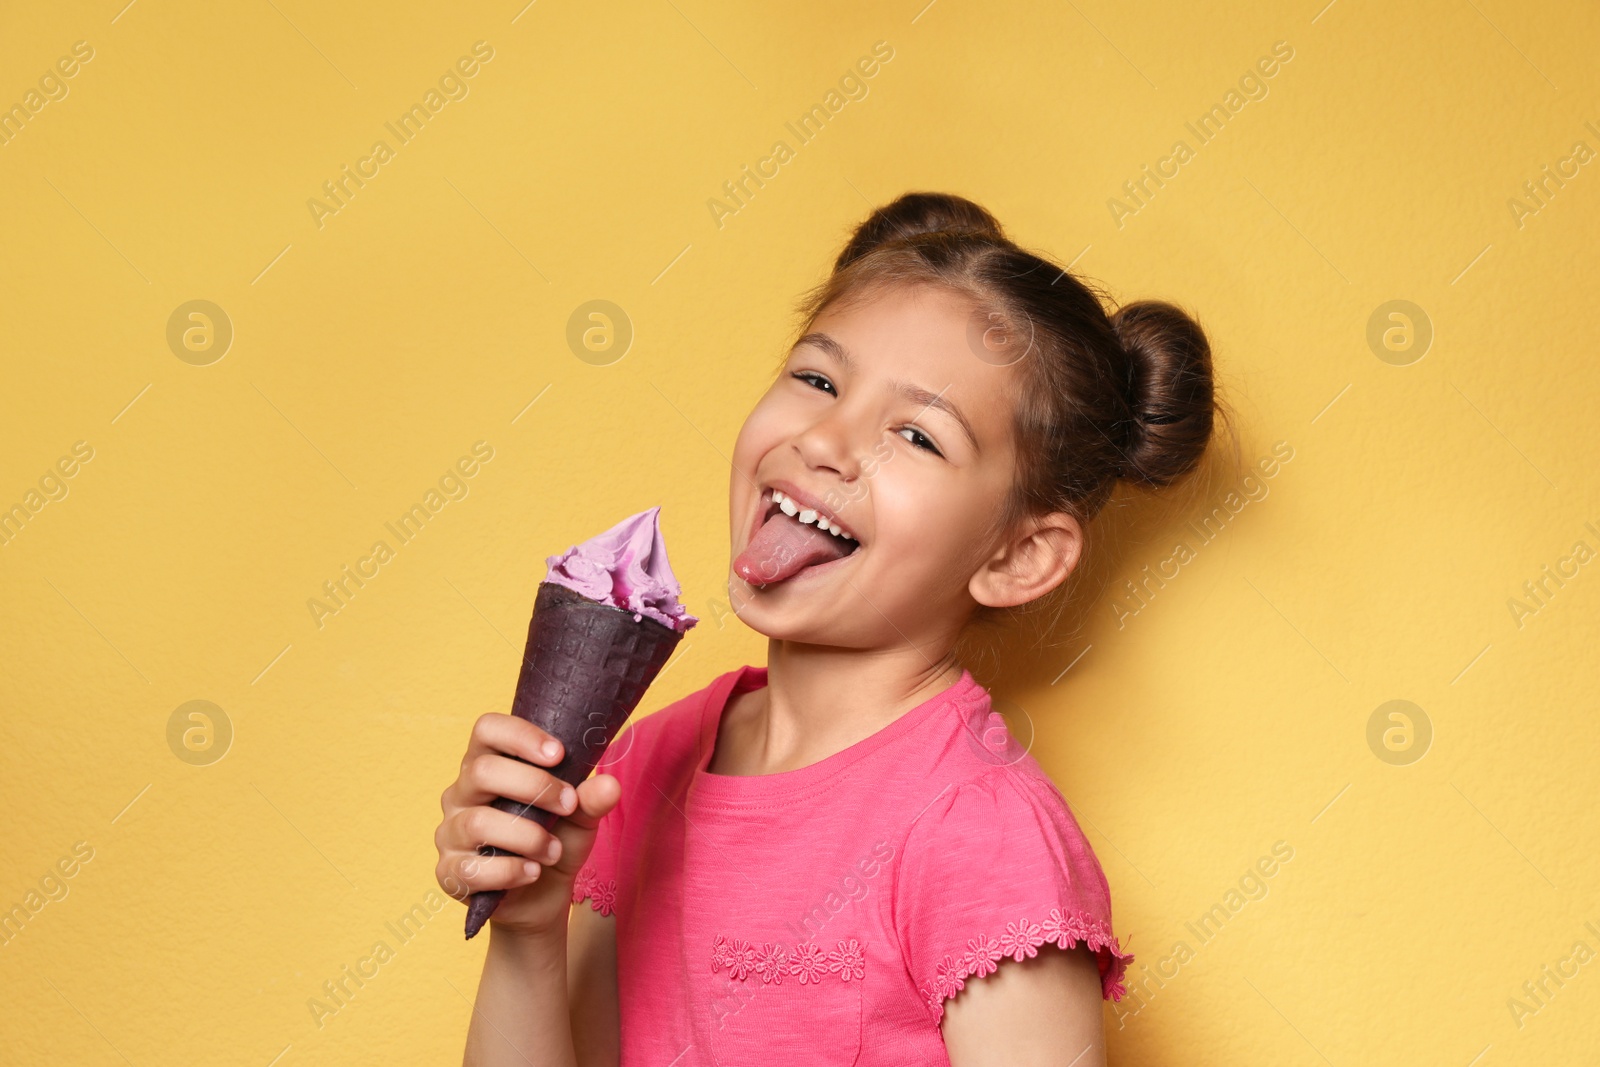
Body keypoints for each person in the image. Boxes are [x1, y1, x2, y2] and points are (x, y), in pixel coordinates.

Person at [435, 191, 1219, 1065]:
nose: (827, 440)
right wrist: (528, 926)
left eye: (918, 436)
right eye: (817, 380)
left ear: (1018, 556)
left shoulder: (982, 837)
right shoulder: (645, 763)